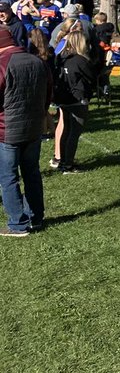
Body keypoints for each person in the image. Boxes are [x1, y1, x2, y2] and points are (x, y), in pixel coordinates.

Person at [0, 26, 51, 236]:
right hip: (33, 127)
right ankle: (36, 217)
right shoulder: (38, 61)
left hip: (8, 129)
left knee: (8, 177)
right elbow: (49, 91)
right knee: (31, 173)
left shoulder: (3, 63)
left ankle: (18, 223)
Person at [53, 30, 97, 174]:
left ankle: (62, 160)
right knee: (74, 132)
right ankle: (68, 164)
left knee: (66, 130)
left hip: (63, 98)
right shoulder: (80, 60)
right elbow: (91, 77)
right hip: (77, 99)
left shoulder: (61, 57)